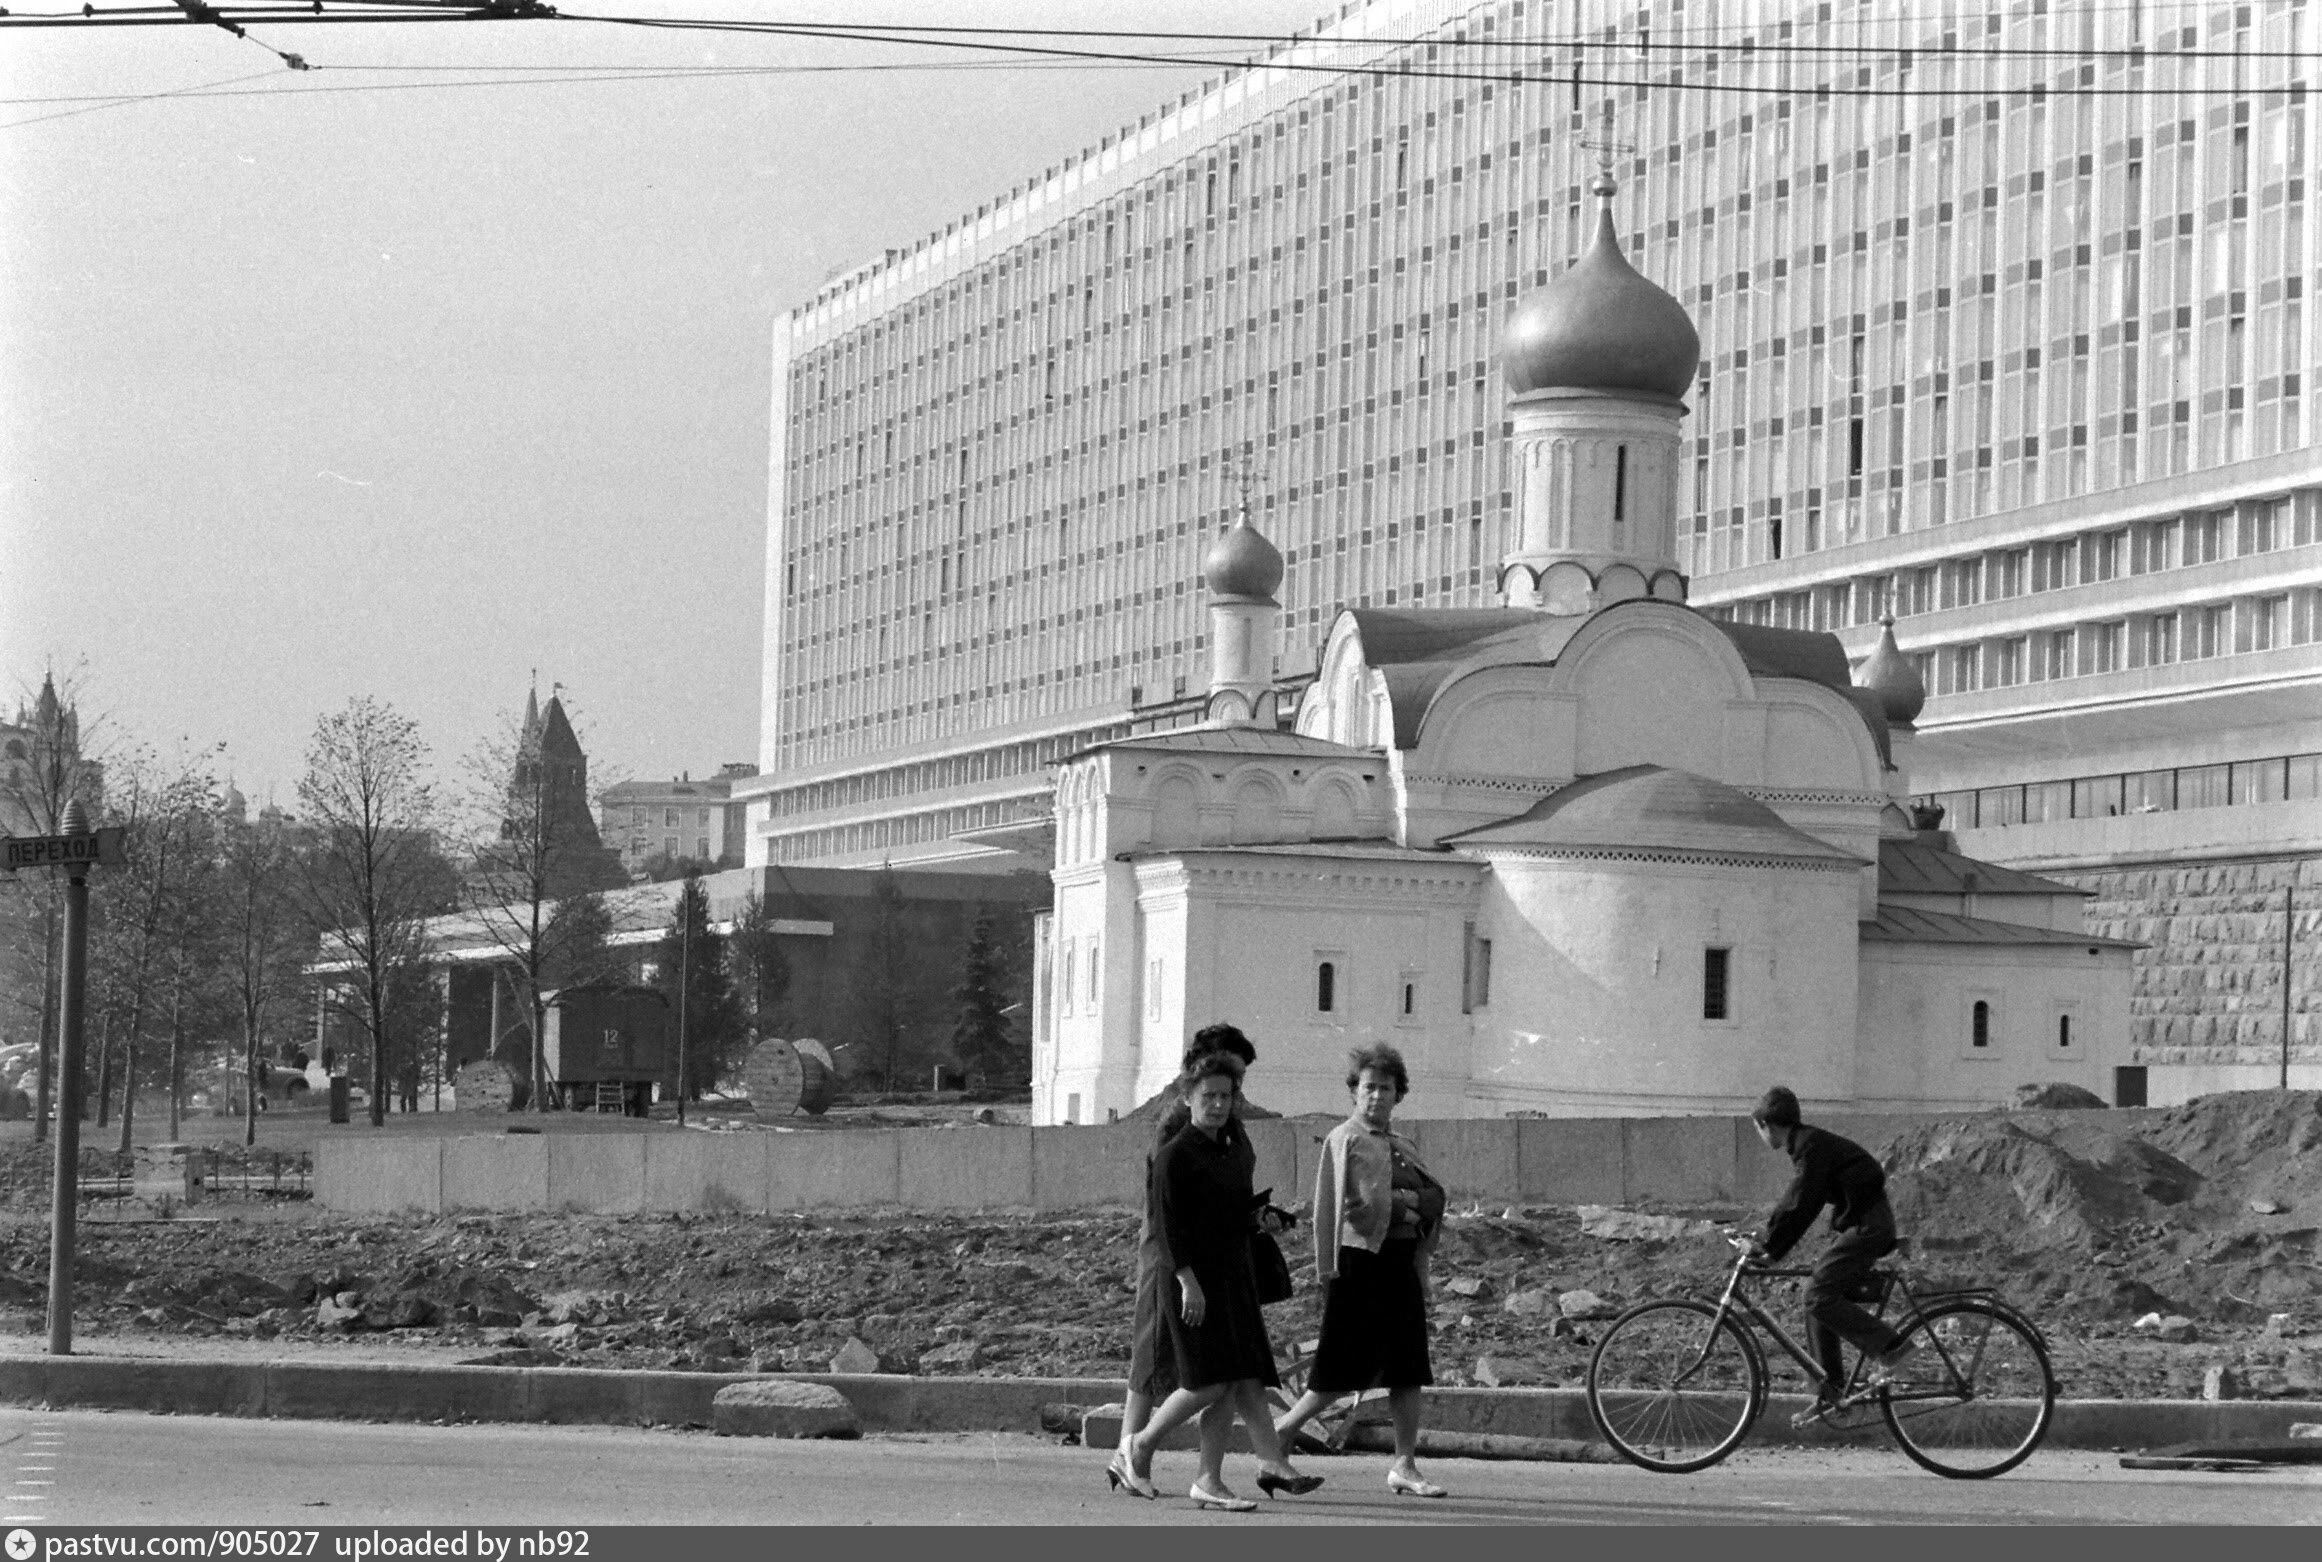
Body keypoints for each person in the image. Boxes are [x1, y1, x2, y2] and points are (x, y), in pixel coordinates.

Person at [1115, 1050, 1321, 1509]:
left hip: (1230, 1277)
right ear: (1188, 1097)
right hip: (1191, 1282)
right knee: (1207, 1382)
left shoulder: (1228, 1151)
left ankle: (1210, 1479)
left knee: (1229, 1381)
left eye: (1226, 1096)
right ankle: (1140, 1446)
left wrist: (1262, 1218)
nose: (1218, 1104)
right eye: (1208, 1095)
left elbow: (1231, 1214)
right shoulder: (1175, 1155)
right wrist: (1188, 1281)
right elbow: (1167, 1228)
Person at [1273, 1043, 1449, 1499]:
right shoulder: (1343, 1139)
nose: (1376, 1096)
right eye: (1368, 1087)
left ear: (1398, 1094)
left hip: (1400, 1266)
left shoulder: (1405, 1146)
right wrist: (1326, 1271)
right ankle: (1282, 1430)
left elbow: (1435, 1200)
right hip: (1358, 1266)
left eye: (1385, 1088)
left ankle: (1405, 1465)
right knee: (1340, 1369)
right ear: (1354, 1091)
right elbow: (1335, 1209)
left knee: (1408, 1368)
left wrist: (1410, 1219)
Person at [1115, 1024, 1259, 1488]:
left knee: (1205, 1369)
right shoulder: (1179, 1128)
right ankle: (1131, 1449)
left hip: (1211, 1262)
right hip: (1174, 1257)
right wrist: (1181, 1272)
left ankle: (1167, 1463)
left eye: (1233, 1085)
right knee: (1156, 1355)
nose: (1227, 1095)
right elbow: (1166, 1206)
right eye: (1225, 1077)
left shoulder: (1225, 1127)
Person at [1746, 1084, 1919, 1423]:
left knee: (1818, 1294)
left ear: (1767, 1124)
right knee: (1818, 1295)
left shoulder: (1810, 1147)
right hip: (1866, 1224)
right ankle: (1830, 1393)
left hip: (1868, 1227)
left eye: (1758, 1129)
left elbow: (1800, 1203)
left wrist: (1768, 1246)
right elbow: (1800, 1202)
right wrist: (1770, 1245)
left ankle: (1893, 1348)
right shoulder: (1809, 1144)